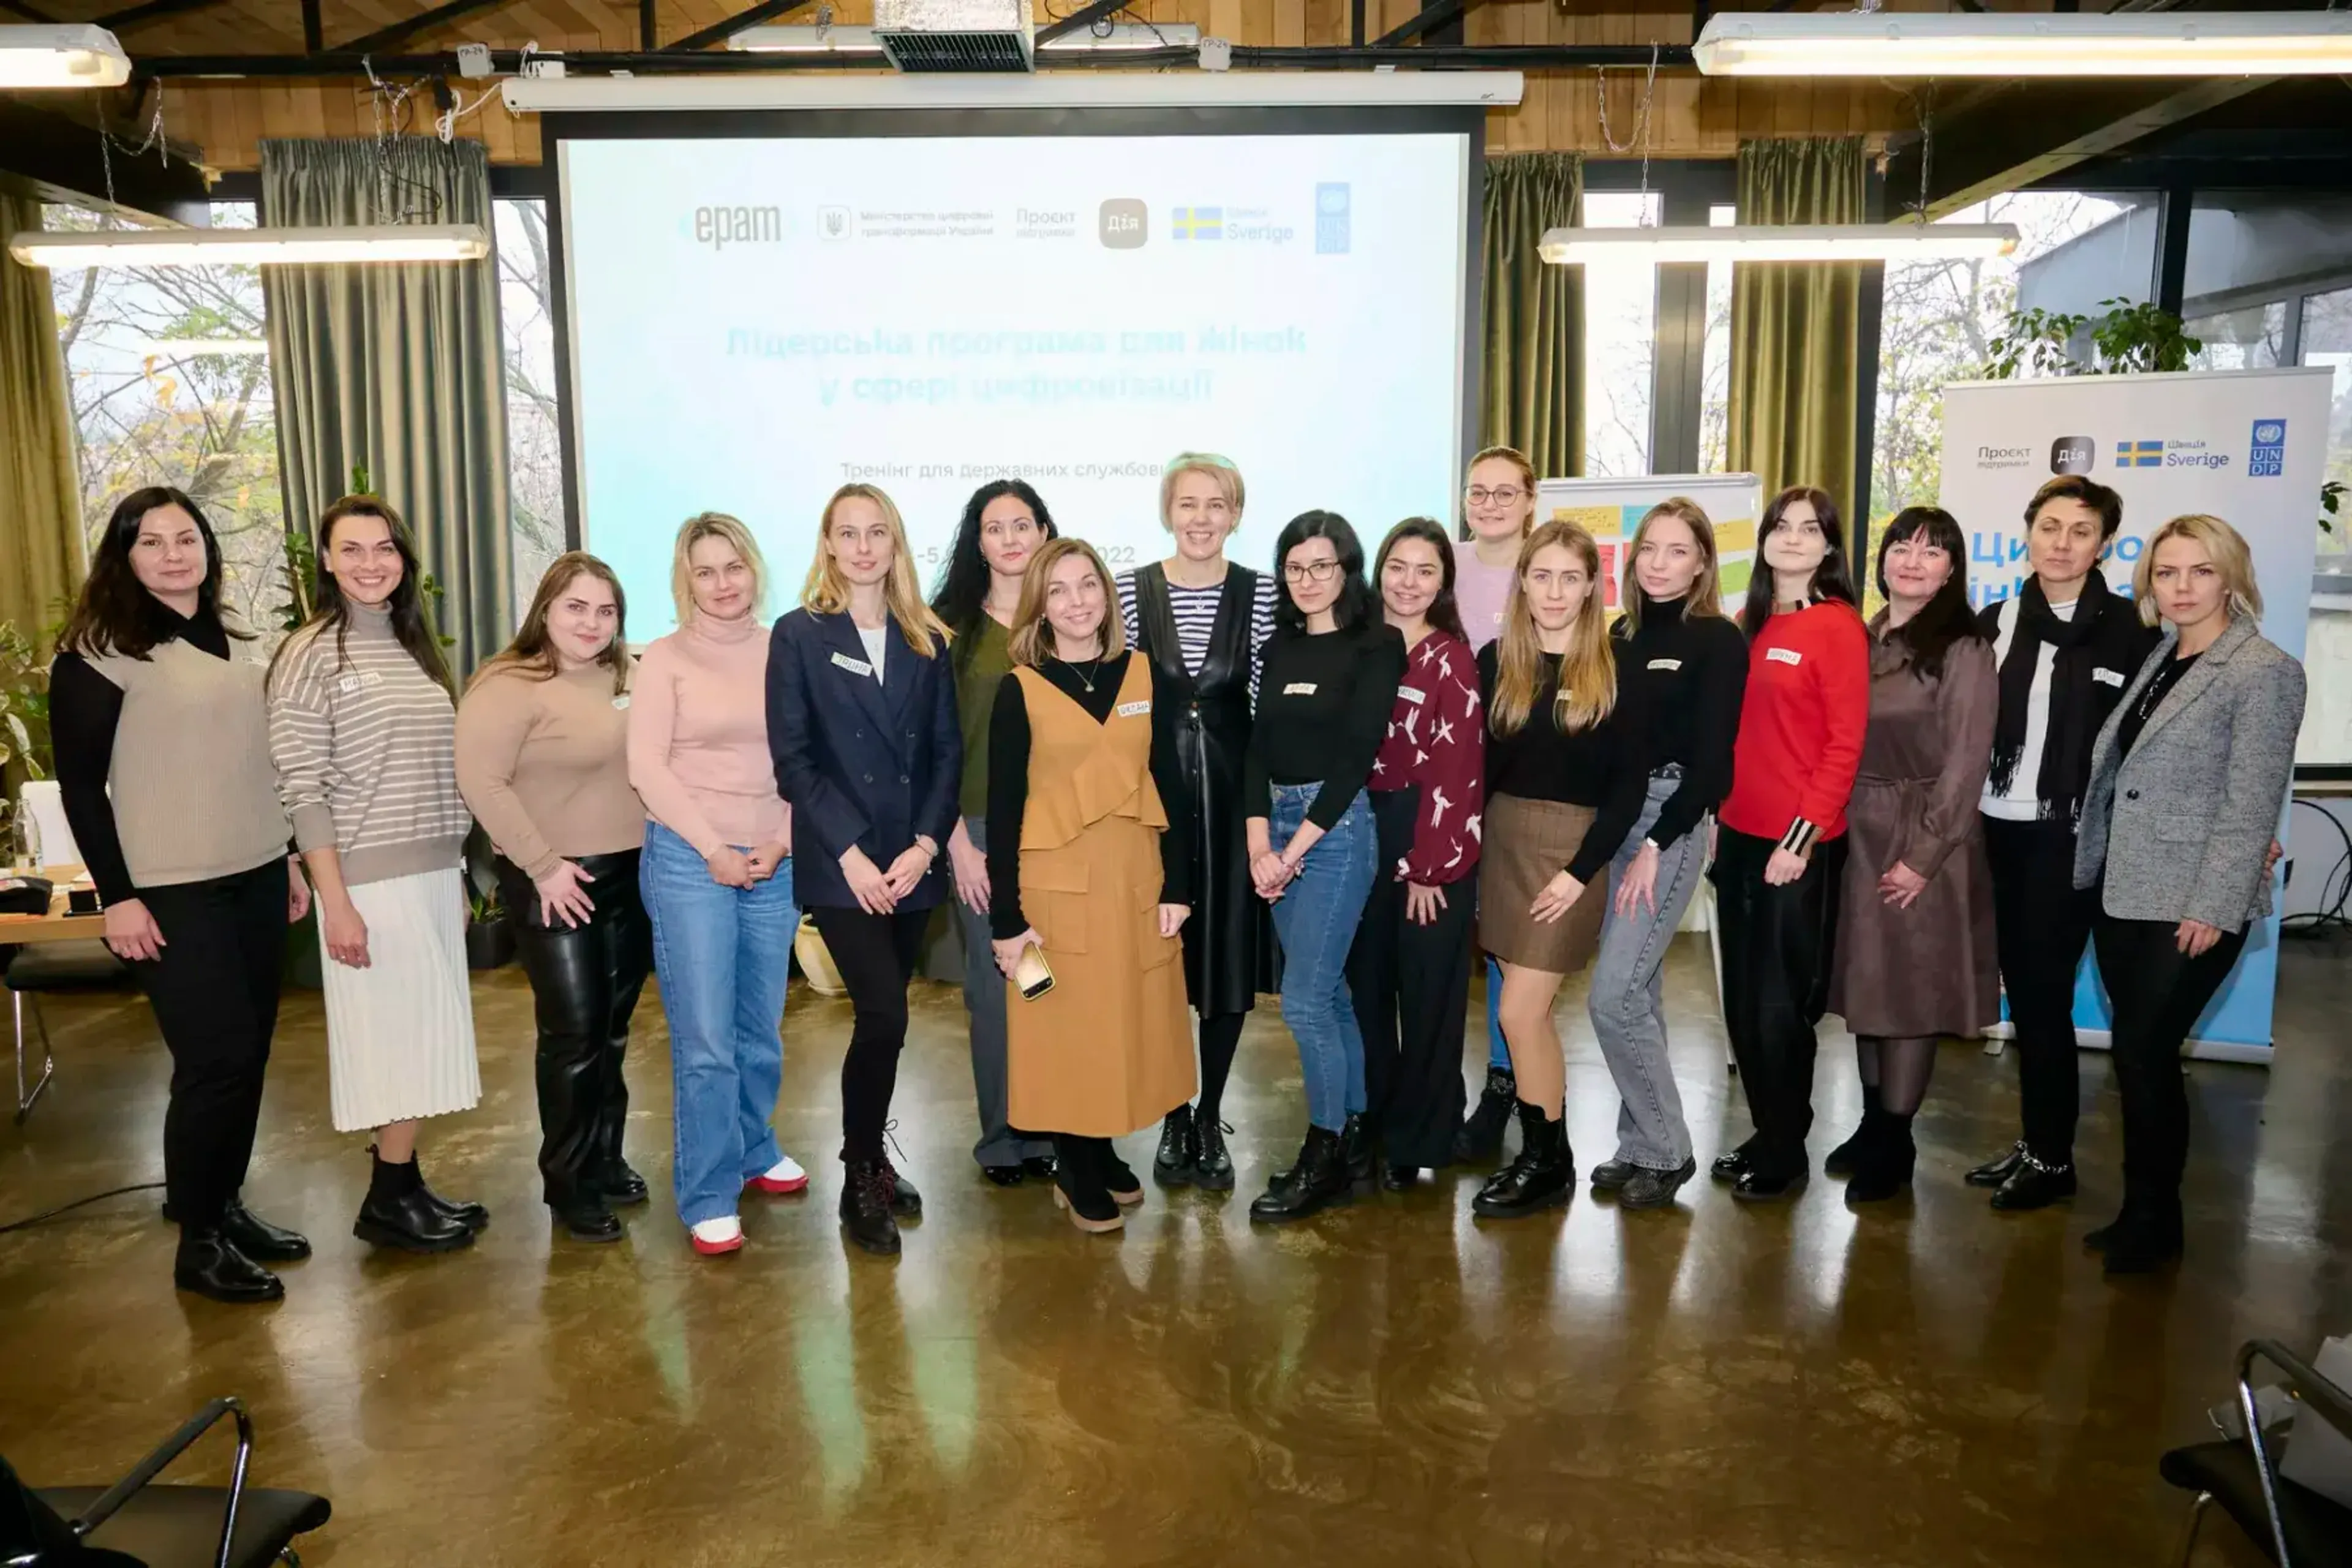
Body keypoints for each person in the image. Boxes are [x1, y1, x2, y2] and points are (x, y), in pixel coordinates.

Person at [50, 488, 314, 1303]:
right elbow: (83, 790)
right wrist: (116, 898)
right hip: (171, 892)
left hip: (259, 874)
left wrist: (292, 859)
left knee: (250, 1056)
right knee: (214, 1062)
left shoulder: (237, 640)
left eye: (186, 536)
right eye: (152, 541)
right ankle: (197, 1244)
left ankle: (223, 1205)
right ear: (123, 556)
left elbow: (255, 764)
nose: (174, 552)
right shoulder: (99, 651)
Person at [2073, 513, 2304, 1275]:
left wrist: (2213, 902)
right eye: (2166, 572)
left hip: (2193, 901)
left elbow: (2252, 800)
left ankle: (2153, 1219)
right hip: (2124, 890)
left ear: (2231, 577)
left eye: (2199, 571)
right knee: (2143, 1060)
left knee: (2142, 1050)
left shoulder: (2262, 670)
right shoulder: (2163, 657)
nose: (2180, 587)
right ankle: (2147, 1215)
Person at [268, 494, 485, 1253]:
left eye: (385, 548)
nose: (370, 563)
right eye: (351, 549)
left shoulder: (410, 646)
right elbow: (302, 785)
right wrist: (337, 902)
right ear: (326, 561)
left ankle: (403, 1183)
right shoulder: (310, 652)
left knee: (421, 1040)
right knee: (392, 1044)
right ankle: (389, 1199)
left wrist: (455, 875)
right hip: (365, 882)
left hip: (428, 873)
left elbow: (436, 775)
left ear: (404, 559)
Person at [770, 483, 961, 1257]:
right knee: (884, 1014)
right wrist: (851, 853)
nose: (862, 546)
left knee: (888, 1023)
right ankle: (858, 1176)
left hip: (911, 865)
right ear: (827, 545)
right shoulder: (799, 635)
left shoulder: (928, 640)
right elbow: (795, 759)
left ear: (895, 544)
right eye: (846, 533)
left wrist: (923, 847)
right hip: (841, 864)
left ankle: (875, 1156)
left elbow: (948, 753)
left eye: (876, 532)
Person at [984, 538, 1195, 1232]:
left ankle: (1099, 1146)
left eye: (1088, 586)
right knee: (1056, 1021)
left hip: (1135, 882)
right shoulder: (1019, 689)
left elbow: (1172, 779)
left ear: (1107, 594)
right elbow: (1005, 808)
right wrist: (1007, 924)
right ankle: (1073, 1164)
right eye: (1060, 591)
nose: (1077, 603)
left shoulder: (1143, 674)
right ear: (1040, 607)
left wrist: (1181, 885)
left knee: (1124, 1017)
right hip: (1050, 896)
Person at [1966, 476, 2160, 1212]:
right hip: (1993, 829)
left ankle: (2053, 1160)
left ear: (2105, 543)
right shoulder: (1996, 618)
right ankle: (2035, 1141)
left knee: (2046, 999)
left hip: (2071, 838)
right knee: (2026, 997)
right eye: (2050, 527)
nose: (2062, 543)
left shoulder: (2132, 629)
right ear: (2029, 532)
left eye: (2081, 531)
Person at [458, 552, 650, 1244]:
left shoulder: (627, 672)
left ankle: (604, 1155)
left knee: (613, 1029)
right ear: (545, 608)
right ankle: (566, 1183)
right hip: (553, 879)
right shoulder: (509, 683)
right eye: (577, 607)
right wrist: (543, 866)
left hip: (630, 871)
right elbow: (481, 782)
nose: (592, 623)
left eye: (606, 611)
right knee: (572, 1035)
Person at [629, 514, 800, 1257]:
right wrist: (713, 848)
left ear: (755, 568)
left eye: (735, 566)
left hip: (775, 858)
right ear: (685, 580)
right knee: (705, 1041)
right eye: (706, 571)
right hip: (691, 861)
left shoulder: (788, 651)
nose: (724, 583)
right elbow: (648, 768)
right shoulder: (664, 659)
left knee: (759, 1029)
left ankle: (754, 1146)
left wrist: (781, 840)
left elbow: (811, 758)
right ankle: (707, 1189)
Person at [1821, 508, 1999, 1202]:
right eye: (1902, 545)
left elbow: (1966, 763)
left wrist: (1925, 855)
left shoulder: (1964, 647)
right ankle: (1872, 1125)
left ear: (1953, 568)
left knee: (1911, 994)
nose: (1913, 560)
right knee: (1870, 987)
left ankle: (1896, 1140)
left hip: (1924, 832)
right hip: (1855, 829)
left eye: (1933, 551)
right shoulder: (1861, 635)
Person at [1470, 520, 1646, 1219]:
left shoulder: (1616, 666)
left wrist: (1582, 870)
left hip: (1572, 855)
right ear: (1522, 581)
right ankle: (1549, 1156)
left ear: (1591, 586)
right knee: (1526, 1016)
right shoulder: (1496, 660)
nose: (1554, 590)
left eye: (1570, 577)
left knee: (1520, 1011)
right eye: (1541, 575)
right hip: (1504, 845)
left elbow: (1629, 787)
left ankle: (1547, 1156)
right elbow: (1480, 769)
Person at [1115, 453, 1277, 1192]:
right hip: (1151, 806)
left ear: (1236, 514)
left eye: (1217, 504)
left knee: (1224, 964)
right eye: (1188, 504)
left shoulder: (1264, 595)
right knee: (1159, 966)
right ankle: (1172, 1111)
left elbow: (1270, 715)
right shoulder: (1126, 592)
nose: (1202, 518)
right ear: (1167, 511)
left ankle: (1210, 1113)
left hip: (1235, 803)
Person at [1243, 512, 1407, 1221]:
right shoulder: (1278, 647)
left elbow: (1355, 758)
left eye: (1322, 566)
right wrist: (1259, 845)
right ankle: (1358, 1132)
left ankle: (1325, 1152)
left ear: (1348, 568)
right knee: (1330, 993)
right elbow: (1256, 749)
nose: (1307, 580)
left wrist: (1292, 850)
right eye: (1295, 568)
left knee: (1305, 1000)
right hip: (1274, 825)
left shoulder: (1377, 644)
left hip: (1334, 833)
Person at [1585, 499, 1747, 1211]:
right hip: (1616, 815)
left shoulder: (1717, 640)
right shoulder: (1617, 636)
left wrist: (1659, 841)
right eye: (1649, 548)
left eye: (1677, 550)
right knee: (1639, 991)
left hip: (1671, 822)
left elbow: (1715, 765)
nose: (1658, 562)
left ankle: (1669, 1148)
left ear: (1703, 562)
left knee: (1612, 994)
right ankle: (1636, 1141)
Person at [1710, 486, 1869, 1202]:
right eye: (1782, 526)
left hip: (1794, 847)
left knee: (1780, 1008)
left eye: (1812, 530)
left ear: (1830, 547)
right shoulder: (1750, 622)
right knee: (1742, 1005)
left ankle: (1786, 1149)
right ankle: (1767, 1127)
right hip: (1738, 839)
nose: (1795, 539)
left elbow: (1844, 746)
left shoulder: (1836, 627)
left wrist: (1799, 841)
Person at [1344, 519, 1483, 1191]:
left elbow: (1457, 769)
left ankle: (1422, 1134)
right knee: (1368, 991)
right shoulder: (1359, 648)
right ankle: (1374, 1119)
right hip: (1356, 833)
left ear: (1443, 583)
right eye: (1397, 566)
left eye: (1425, 570)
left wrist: (1429, 867)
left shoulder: (1451, 657)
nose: (1408, 582)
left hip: (1429, 836)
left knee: (1427, 997)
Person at [929, 479, 1060, 1187]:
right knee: (997, 980)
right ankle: (1006, 1137)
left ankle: (1054, 1124)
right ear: (976, 541)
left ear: (1044, 531)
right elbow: (934, 746)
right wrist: (957, 843)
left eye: (1022, 524)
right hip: (979, 832)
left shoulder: (1071, 614)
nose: (1009, 538)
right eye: (994, 527)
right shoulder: (949, 629)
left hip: (1063, 831)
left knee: (1051, 979)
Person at [1452, 445, 1539, 1163]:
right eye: (1478, 492)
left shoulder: (1548, 565)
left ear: (1530, 500)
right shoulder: (1443, 564)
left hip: (1515, 775)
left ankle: (1504, 1082)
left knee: (1507, 939)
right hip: (1444, 773)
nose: (1489, 504)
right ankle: (1434, 1083)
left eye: (1504, 492)